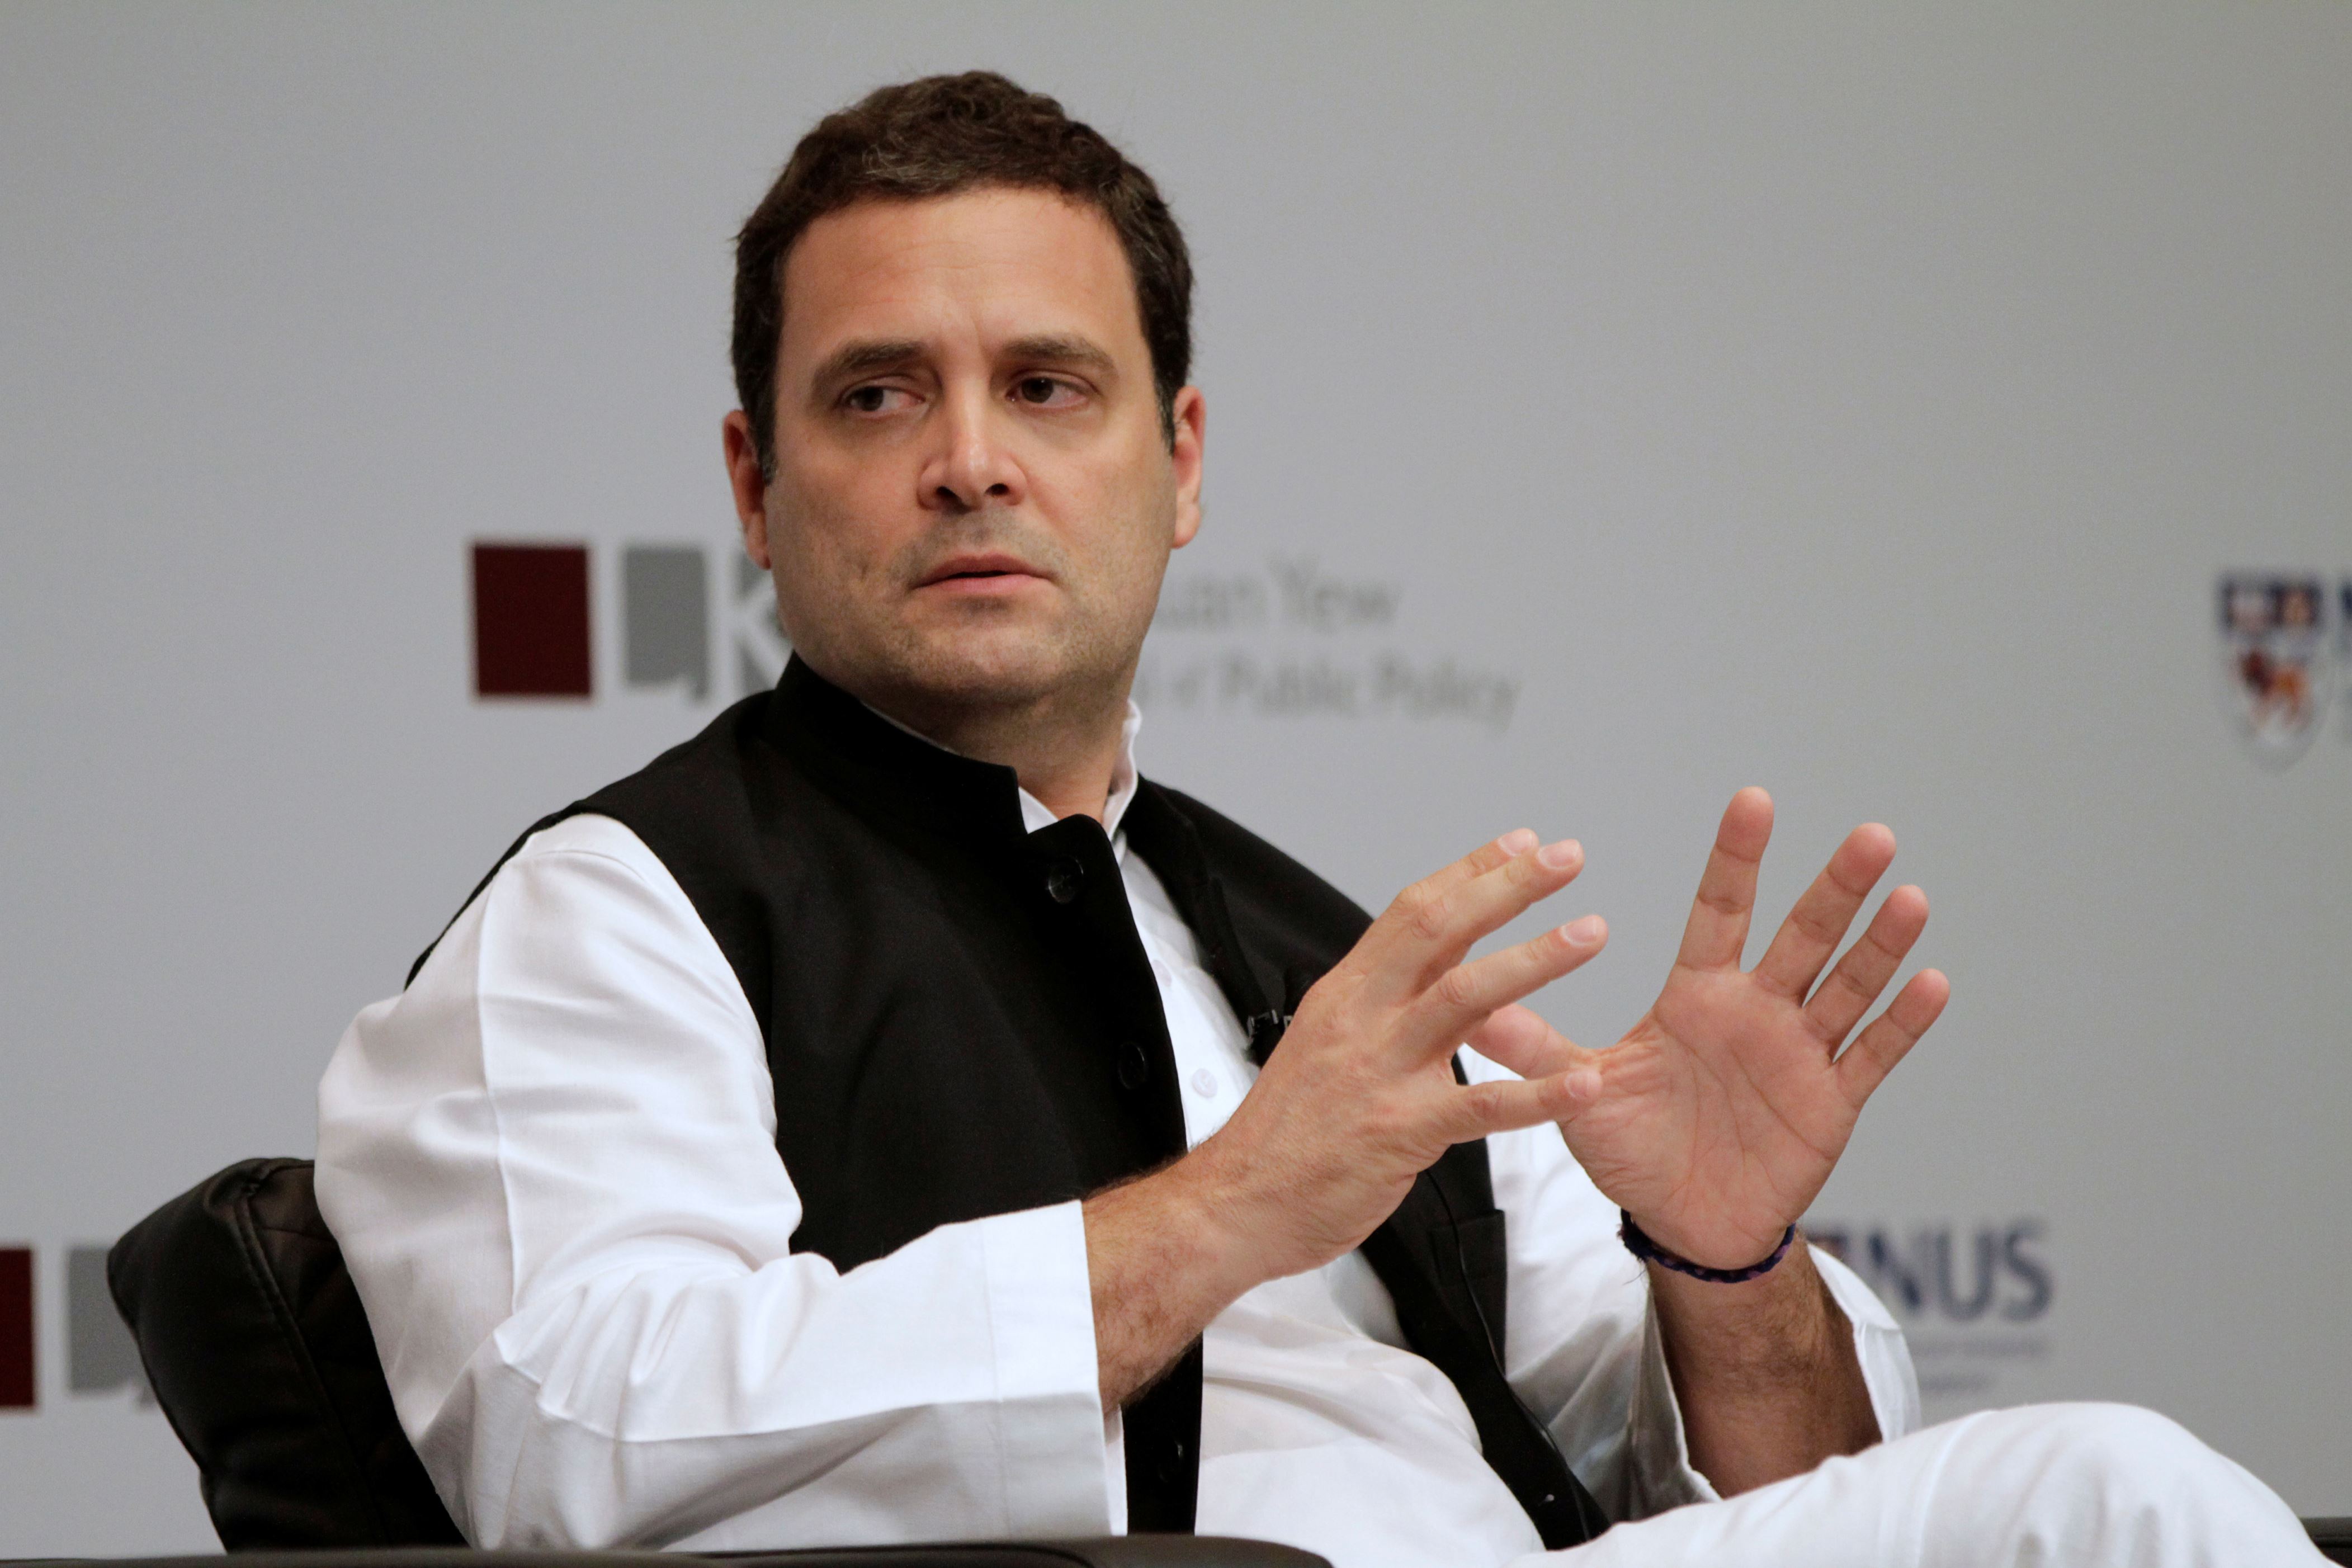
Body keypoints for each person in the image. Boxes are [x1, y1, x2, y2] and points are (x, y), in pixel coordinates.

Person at [315, 72, 2321, 1568]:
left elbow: (1769, 1476)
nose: (967, 463)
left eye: (1047, 385)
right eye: (875, 397)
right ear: (753, 483)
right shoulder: (617, 915)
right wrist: (1214, 1219)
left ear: (1178, 463)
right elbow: (576, 1439)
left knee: (2109, 1501)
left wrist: (1728, 1269)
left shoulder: (1310, 951)